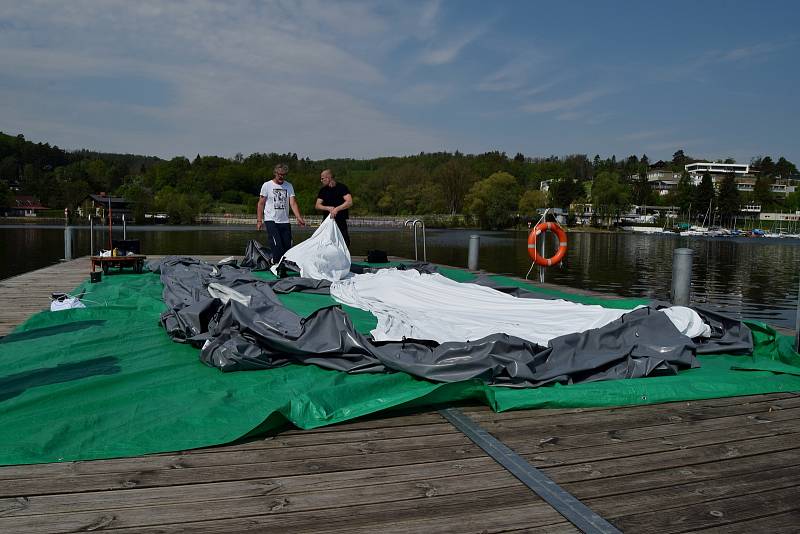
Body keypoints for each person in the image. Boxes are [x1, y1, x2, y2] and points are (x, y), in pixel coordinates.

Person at [256, 163, 305, 263]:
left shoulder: (289, 186)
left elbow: (293, 203)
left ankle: (281, 263)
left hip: (284, 220)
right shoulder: (267, 185)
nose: (281, 177)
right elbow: (261, 204)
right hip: (271, 220)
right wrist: (259, 220)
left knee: (287, 246)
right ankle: (275, 261)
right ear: (275, 173)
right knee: (276, 244)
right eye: (279, 174)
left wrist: (298, 217)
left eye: (284, 175)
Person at [315, 169, 353, 246]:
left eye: (322, 178)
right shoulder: (323, 190)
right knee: (324, 243)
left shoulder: (342, 188)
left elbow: (349, 202)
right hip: (327, 221)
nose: (321, 180)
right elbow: (317, 205)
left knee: (344, 243)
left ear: (328, 178)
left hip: (340, 221)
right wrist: (328, 208)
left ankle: (343, 257)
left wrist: (336, 209)